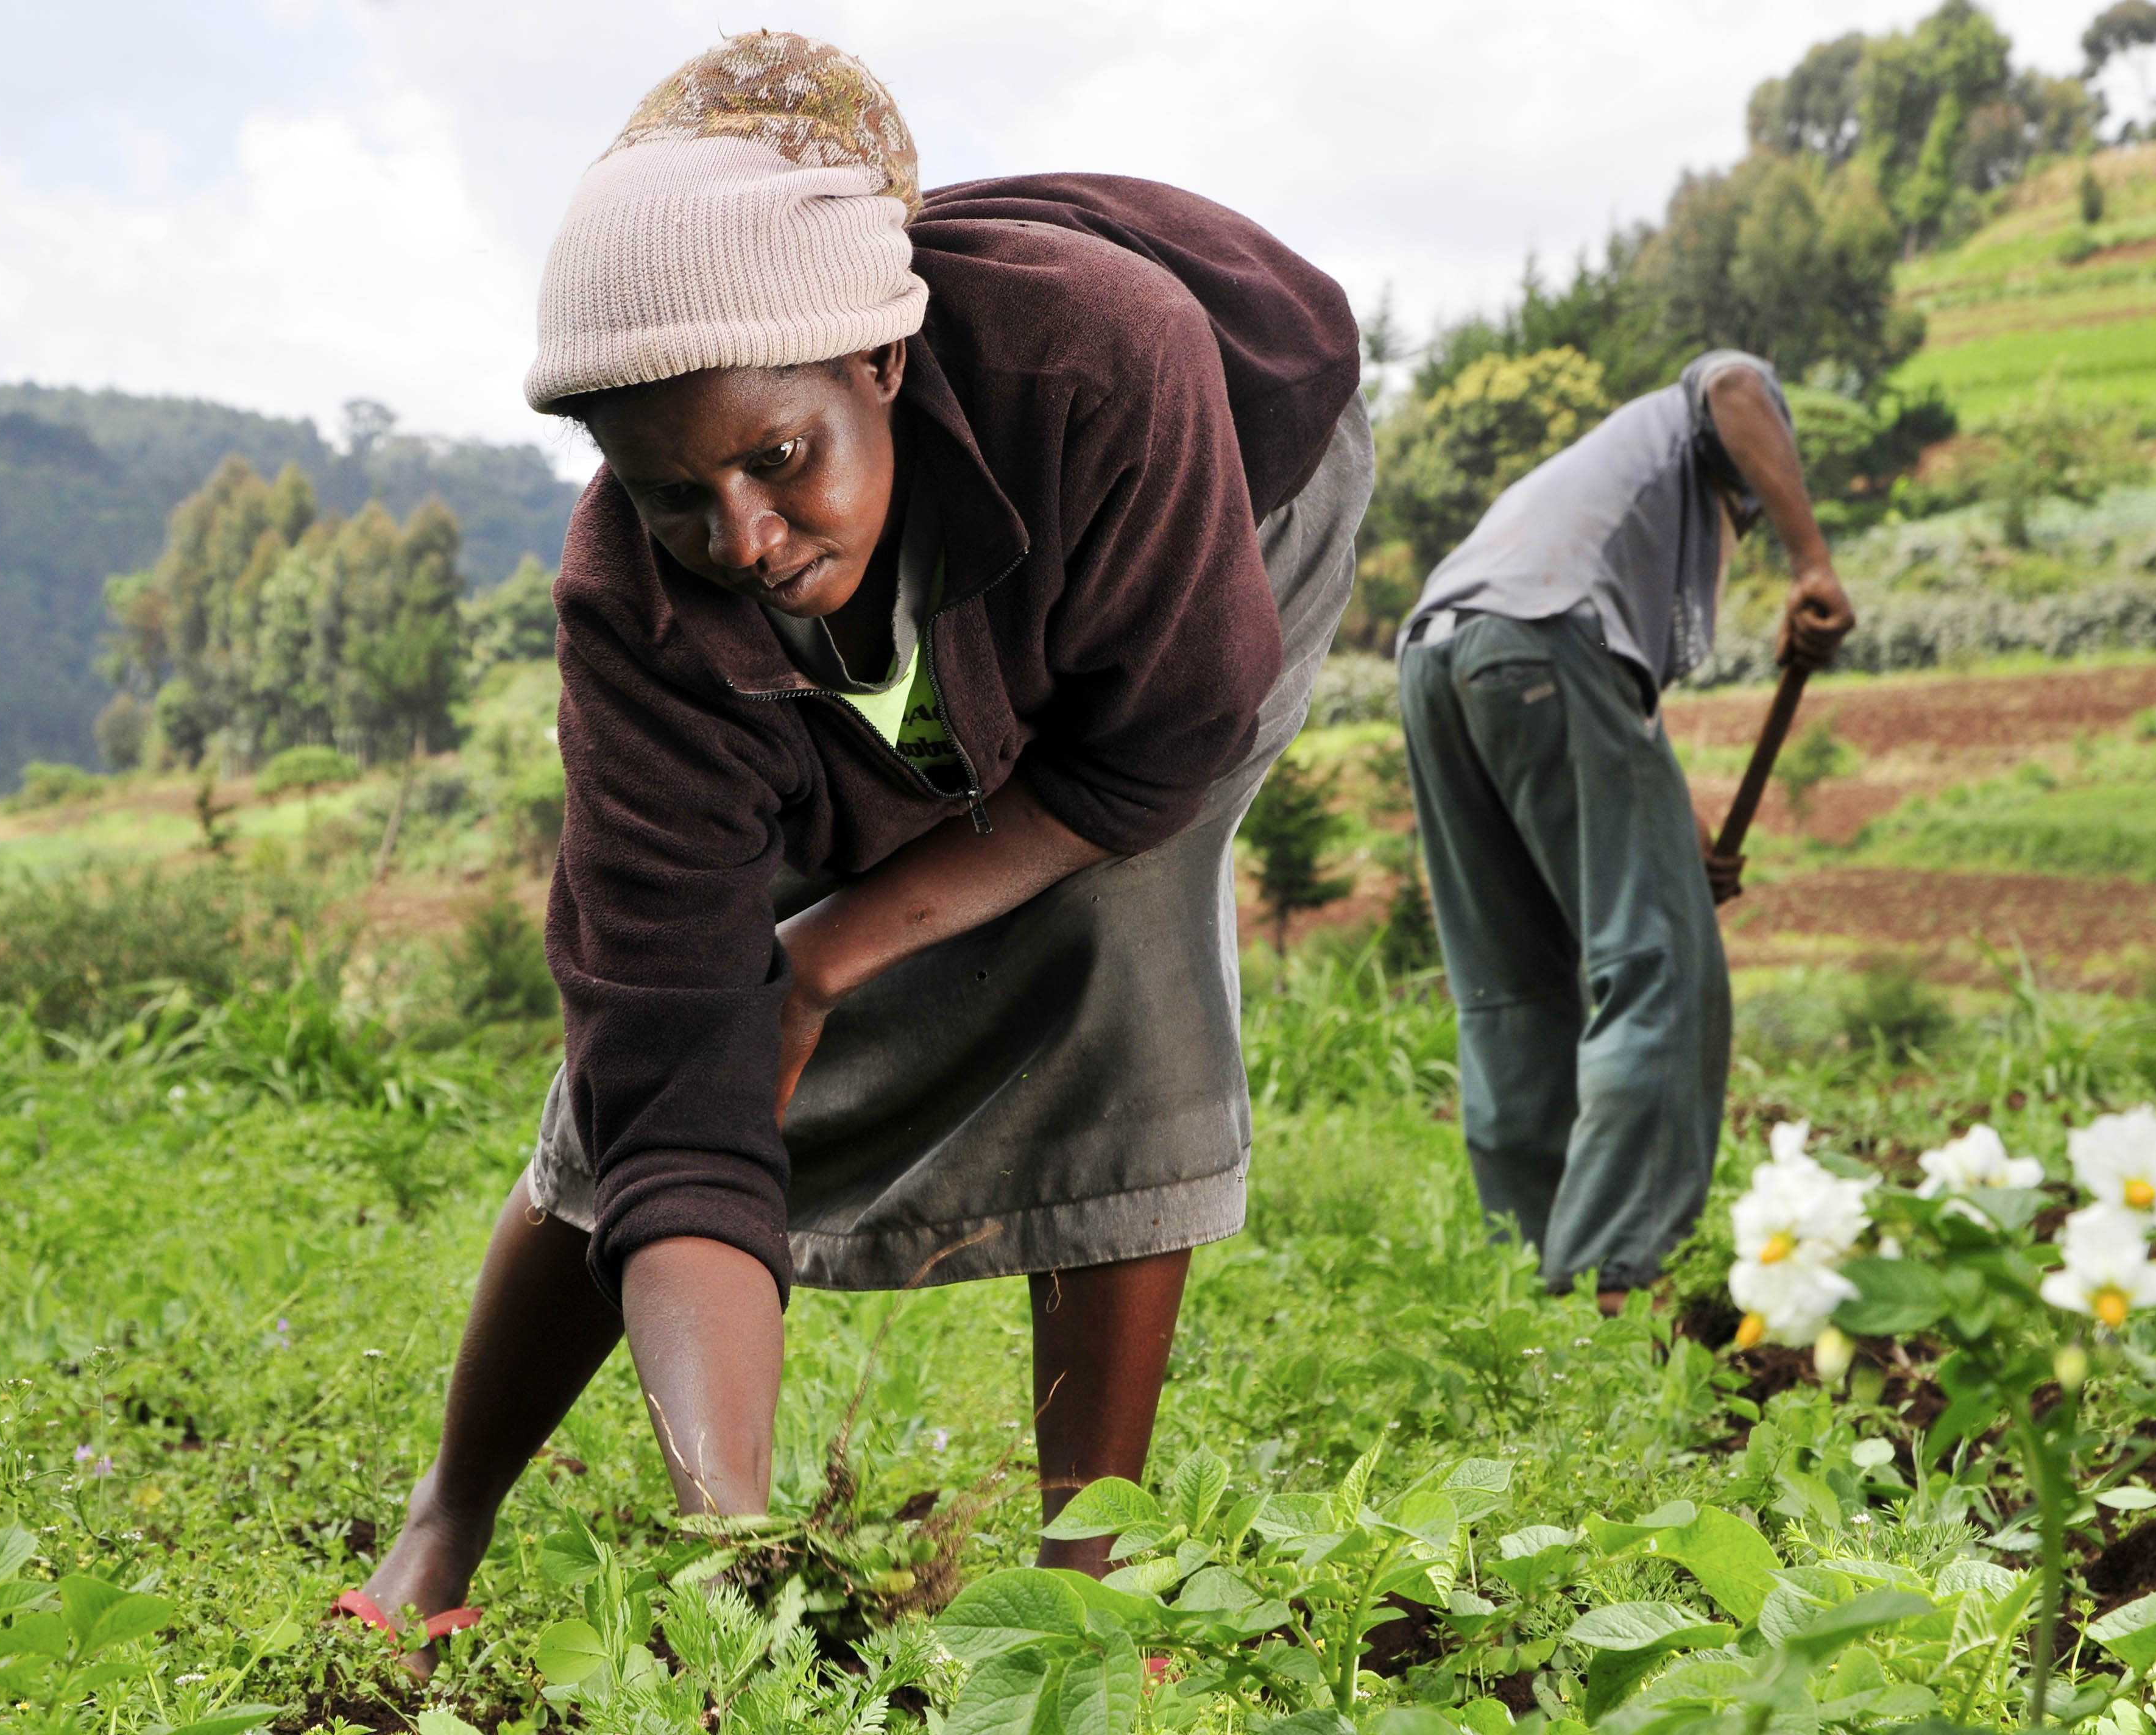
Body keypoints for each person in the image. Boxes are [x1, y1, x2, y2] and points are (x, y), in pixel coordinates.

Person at [331, 31, 1368, 1659]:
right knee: (668, 1048)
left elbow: (1155, 748)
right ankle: (445, 1517)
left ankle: (1071, 1605)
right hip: (955, 565)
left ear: (878, 364)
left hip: (1227, 513)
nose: (740, 536)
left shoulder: (1104, 359)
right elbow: (672, 1068)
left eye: (778, 460)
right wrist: (738, 1538)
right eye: (675, 494)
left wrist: (838, 946)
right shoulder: (641, 604)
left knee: (1114, 934)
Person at [1394, 350, 1854, 1306]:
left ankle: (1530, 1269)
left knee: (1511, 983)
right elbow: (1735, 381)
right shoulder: (1708, 414)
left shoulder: (1604, 507)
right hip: (1542, 645)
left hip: (1442, 666)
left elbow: (1610, 723)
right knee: (1661, 965)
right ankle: (1613, 1275)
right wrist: (1813, 563)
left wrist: (1682, 841)